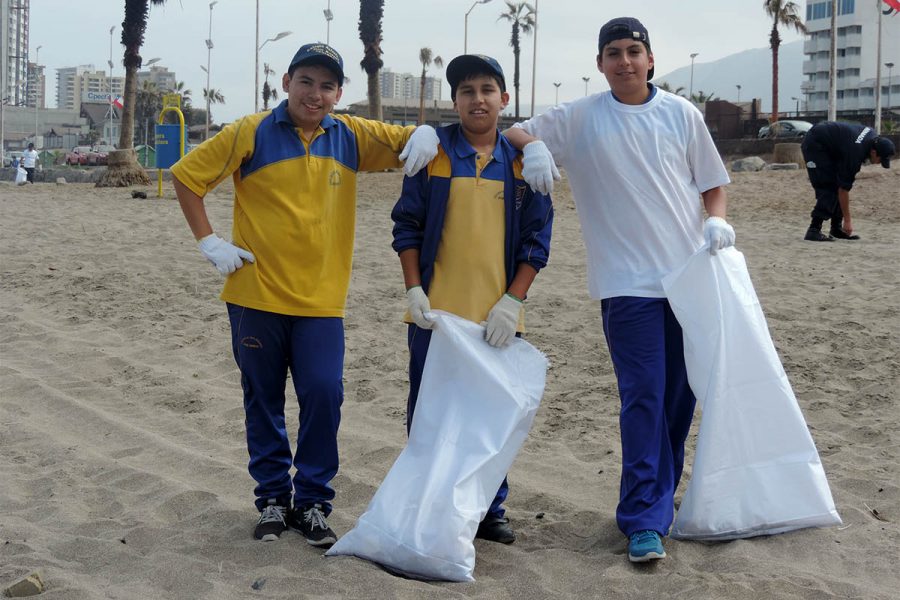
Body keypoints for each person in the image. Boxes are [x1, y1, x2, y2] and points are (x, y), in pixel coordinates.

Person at [171, 42, 439, 547]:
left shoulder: (352, 135)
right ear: (287, 82)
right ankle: (273, 498)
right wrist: (209, 241)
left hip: (322, 301)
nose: (315, 94)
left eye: (327, 85)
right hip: (256, 296)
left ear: (339, 93)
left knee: (323, 394)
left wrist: (424, 130)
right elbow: (187, 177)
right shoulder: (250, 131)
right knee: (263, 398)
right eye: (306, 82)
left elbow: (417, 140)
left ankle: (313, 502)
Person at [504, 17, 734, 563]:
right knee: (644, 397)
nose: (625, 61)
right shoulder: (581, 117)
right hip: (627, 286)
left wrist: (716, 221)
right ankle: (643, 518)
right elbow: (512, 130)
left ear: (651, 59)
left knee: (680, 398)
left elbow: (713, 183)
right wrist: (534, 146)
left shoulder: (681, 113)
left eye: (634, 51)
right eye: (614, 53)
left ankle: (659, 501)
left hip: (690, 279)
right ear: (601, 64)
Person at [391, 54, 554, 544]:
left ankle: (488, 509)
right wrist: (414, 290)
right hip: (434, 316)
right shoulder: (433, 154)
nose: (477, 99)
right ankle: (429, 502)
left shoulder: (525, 164)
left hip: (497, 318)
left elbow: (536, 242)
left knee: (490, 419)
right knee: (428, 413)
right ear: (455, 101)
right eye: (466, 90)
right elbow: (407, 227)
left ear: (504, 99)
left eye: (487, 89)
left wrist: (513, 301)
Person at [799, 121, 895, 241]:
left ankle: (836, 229)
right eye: (881, 160)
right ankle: (813, 230)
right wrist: (848, 221)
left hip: (829, 145)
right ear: (874, 152)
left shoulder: (872, 137)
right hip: (815, 144)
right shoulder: (855, 153)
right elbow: (843, 190)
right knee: (829, 187)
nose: (880, 163)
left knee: (838, 183)